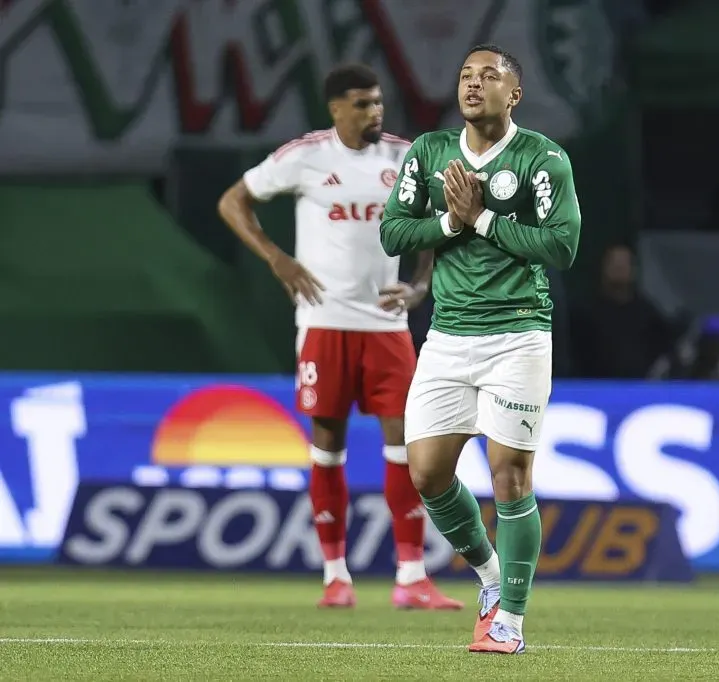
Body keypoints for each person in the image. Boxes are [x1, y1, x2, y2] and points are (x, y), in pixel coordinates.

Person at [217, 63, 462, 611]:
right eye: (362, 104)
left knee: (406, 446)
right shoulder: (305, 156)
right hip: (324, 323)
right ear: (336, 109)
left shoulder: (404, 157)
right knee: (328, 448)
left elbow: (438, 221)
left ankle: (411, 576)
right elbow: (232, 201)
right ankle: (335, 576)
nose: (375, 112)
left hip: (386, 325)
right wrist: (276, 258)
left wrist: (421, 284)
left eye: (378, 102)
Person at [379, 44, 581, 654]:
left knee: (510, 476)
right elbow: (392, 231)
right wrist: (451, 222)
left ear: (513, 94)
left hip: (518, 333)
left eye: (488, 76)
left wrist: (484, 217)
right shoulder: (429, 153)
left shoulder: (543, 158)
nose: (473, 84)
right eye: (466, 74)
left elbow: (563, 247)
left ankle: (510, 621)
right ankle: (491, 577)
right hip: (447, 336)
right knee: (426, 472)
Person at [571, 244, 675, 378]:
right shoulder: (584, 314)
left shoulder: (647, 314)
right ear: (603, 268)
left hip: (639, 385)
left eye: (624, 264)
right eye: (614, 264)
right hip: (595, 385)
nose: (619, 268)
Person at [649, 314, 719, 384]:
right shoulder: (677, 364)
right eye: (710, 342)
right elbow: (652, 386)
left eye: (718, 344)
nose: (713, 349)